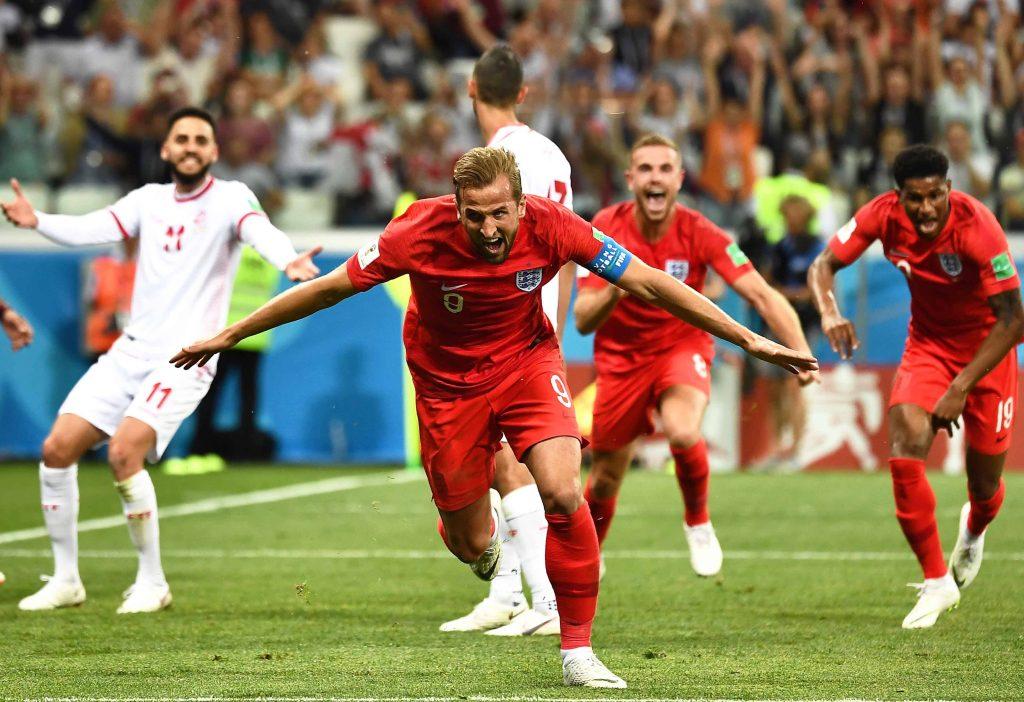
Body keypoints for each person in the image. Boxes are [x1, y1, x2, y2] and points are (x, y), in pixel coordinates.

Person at [170, 146, 817, 688]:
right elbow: (330, 287)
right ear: (456, 207)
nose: (488, 230)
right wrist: (230, 334)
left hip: (527, 366)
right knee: (467, 539)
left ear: (521, 203)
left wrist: (748, 338)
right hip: (446, 386)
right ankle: (484, 555)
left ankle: (577, 651)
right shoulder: (415, 233)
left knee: (565, 491)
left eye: (500, 214)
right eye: (475, 216)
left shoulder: (553, 224)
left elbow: (647, 281)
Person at [0, 107, 321, 614]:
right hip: (130, 350)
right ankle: (66, 580)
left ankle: (152, 582)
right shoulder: (147, 202)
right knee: (57, 448)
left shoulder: (231, 198)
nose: (191, 146)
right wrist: (37, 219)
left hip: (186, 357)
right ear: (167, 150)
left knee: (123, 453)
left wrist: (290, 260)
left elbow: (260, 231)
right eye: (182, 138)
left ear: (213, 152)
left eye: (201, 139)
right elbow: (91, 228)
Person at [575, 134, 816, 578]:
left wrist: (799, 351)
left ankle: (698, 521)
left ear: (680, 180)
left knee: (684, 432)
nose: (655, 178)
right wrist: (618, 279)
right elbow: (583, 319)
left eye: (665, 169)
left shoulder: (702, 233)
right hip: (621, 357)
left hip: (680, 346)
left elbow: (761, 294)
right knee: (606, 476)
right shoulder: (606, 226)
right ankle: (588, 558)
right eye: (645, 169)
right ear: (630, 178)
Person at [807, 145, 1023, 629]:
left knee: (985, 487)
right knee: (905, 443)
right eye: (914, 198)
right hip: (927, 346)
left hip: (988, 357)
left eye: (934, 196)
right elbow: (823, 265)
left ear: (949, 188)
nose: (926, 208)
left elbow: (1014, 322)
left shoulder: (977, 227)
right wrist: (830, 312)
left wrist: (961, 386)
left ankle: (974, 527)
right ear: (896, 196)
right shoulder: (881, 216)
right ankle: (936, 581)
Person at [438, 44, 574, 638]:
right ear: (522, 93)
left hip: (502, 325)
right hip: (537, 319)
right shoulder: (552, 154)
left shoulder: (491, 163)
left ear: (471, 89)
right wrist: (559, 325)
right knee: (501, 465)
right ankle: (507, 594)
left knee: (503, 464)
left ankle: (542, 601)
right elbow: (567, 246)